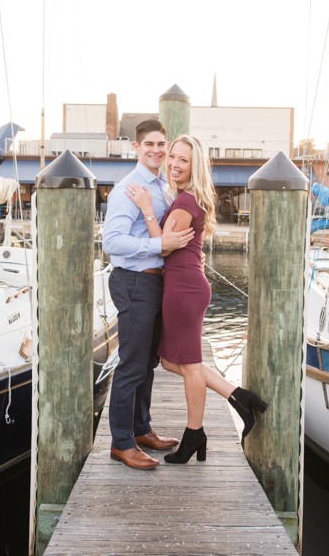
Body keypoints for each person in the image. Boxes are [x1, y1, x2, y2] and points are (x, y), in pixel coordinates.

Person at [126, 135, 268, 464]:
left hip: (183, 289)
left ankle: (194, 434)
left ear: (195, 166)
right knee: (170, 361)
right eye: (172, 157)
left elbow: (161, 245)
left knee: (188, 365)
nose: (174, 163)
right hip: (186, 286)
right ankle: (238, 396)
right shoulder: (189, 199)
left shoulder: (185, 203)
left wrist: (147, 209)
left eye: (183, 160)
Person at [102, 119, 195, 470]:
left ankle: (141, 429)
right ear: (136, 148)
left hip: (157, 283)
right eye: (150, 145)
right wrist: (158, 244)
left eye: (162, 144)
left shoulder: (162, 186)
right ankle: (121, 443)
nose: (157, 150)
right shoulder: (129, 188)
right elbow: (111, 242)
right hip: (135, 282)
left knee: (148, 364)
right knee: (130, 365)